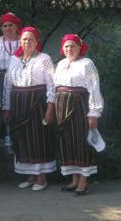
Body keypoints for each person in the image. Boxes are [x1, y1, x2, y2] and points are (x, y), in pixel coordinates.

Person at [3, 26, 56, 191]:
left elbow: (52, 83)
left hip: (37, 102)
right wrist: (6, 107)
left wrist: (50, 107)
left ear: (36, 42)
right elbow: (7, 84)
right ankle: (30, 176)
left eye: (31, 39)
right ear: (20, 41)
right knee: (23, 140)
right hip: (18, 104)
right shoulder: (14, 59)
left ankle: (41, 177)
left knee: (39, 139)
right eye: (24, 39)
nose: (27, 42)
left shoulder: (44, 58)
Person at [54, 34, 104, 196]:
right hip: (62, 108)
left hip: (79, 107)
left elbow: (94, 88)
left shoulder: (87, 64)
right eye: (66, 46)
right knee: (67, 143)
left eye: (73, 46)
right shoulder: (61, 64)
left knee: (81, 142)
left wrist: (94, 113)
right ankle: (74, 179)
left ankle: (83, 181)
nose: (69, 49)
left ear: (79, 47)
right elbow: (56, 86)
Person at [0, 12, 22, 150]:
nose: (7, 28)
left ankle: (16, 138)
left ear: (16, 26)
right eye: (4, 25)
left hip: (18, 79)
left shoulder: (22, 41)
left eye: (10, 25)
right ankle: (2, 139)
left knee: (16, 107)